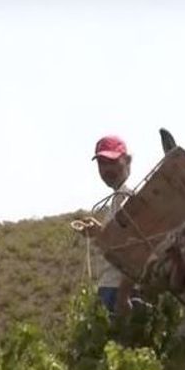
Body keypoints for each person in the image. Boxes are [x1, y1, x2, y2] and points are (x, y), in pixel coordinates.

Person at [73, 135, 136, 317]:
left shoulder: (126, 197)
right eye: (101, 163)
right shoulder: (118, 197)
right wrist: (97, 233)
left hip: (117, 288)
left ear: (127, 160)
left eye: (112, 162)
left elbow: (134, 250)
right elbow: (116, 242)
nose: (106, 169)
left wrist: (123, 296)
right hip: (112, 287)